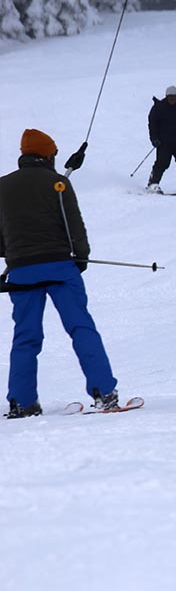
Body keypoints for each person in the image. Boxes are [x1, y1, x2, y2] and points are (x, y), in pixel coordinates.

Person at [1, 129, 120, 418]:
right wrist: (80, 258)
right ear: (48, 155)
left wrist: (15, 256)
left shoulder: (2, 186)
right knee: (81, 328)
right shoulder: (59, 183)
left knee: (25, 336)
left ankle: (22, 402)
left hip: (21, 272)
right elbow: (74, 228)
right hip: (60, 268)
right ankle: (104, 393)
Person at [145, 85, 176, 195]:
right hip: (164, 142)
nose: (172, 99)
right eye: (170, 97)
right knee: (162, 163)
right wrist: (154, 138)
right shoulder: (159, 108)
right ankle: (153, 184)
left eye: (174, 97)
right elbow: (152, 124)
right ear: (166, 97)